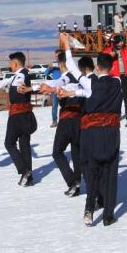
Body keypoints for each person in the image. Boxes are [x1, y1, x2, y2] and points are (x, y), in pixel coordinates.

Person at [59, 33, 122, 227]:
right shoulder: (117, 82)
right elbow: (89, 91)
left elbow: (71, 66)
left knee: (92, 171)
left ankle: (89, 209)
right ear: (111, 69)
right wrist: (73, 92)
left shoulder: (90, 82)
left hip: (92, 133)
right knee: (110, 172)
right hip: (111, 132)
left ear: (95, 68)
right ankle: (109, 215)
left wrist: (66, 45)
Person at [32, 51, 94, 197]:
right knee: (76, 152)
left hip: (68, 120)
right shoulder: (83, 78)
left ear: (61, 65)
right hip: (81, 120)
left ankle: (73, 182)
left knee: (57, 152)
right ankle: (77, 182)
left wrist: (51, 89)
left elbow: (57, 83)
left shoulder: (66, 77)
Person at [0, 52, 38, 186]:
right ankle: (28, 177)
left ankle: (24, 171)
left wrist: (22, 88)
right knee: (24, 145)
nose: (10, 65)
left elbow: (20, 86)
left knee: (9, 143)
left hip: (18, 115)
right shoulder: (17, 76)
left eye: (11, 63)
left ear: (16, 63)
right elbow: (1, 83)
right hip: (25, 115)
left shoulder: (21, 75)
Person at [103, 34, 127, 123]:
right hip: (114, 76)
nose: (122, 43)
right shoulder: (108, 50)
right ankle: (115, 114)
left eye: (123, 41)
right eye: (120, 41)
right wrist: (111, 55)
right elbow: (104, 61)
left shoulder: (125, 51)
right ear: (115, 42)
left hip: (124, 75)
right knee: (115, 96)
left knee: (126, 94)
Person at [44, 55, 62, 128]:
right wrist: (49, 67)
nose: (57, 57)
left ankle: (63, 120)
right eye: (56, 56)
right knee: (54, 106)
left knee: (65, 105)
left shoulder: (65, 64)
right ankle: (54, 121)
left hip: (64, 88)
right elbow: (45, 73)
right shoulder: (53, 65)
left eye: (58, 56)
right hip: (54, 89)